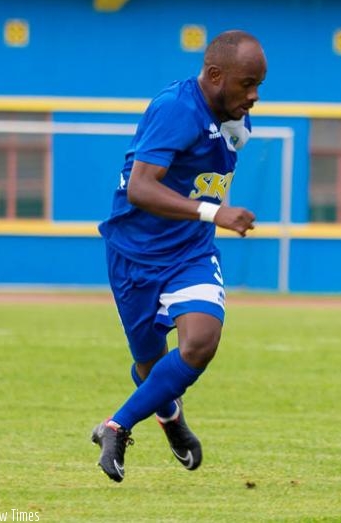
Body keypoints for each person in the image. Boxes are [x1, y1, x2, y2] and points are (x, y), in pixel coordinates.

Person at [92, 30, 267, 482]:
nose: (254, 96)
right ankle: (169, 417)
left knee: (200, 342)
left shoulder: (234, 118)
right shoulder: (176, 108)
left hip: (190, 251)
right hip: (134, 253)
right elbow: (140, 187)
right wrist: (215, 212)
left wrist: (209, 215)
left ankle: (115, 426)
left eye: (258, 86)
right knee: (151, 367)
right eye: (247, 84)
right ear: (215, 75)